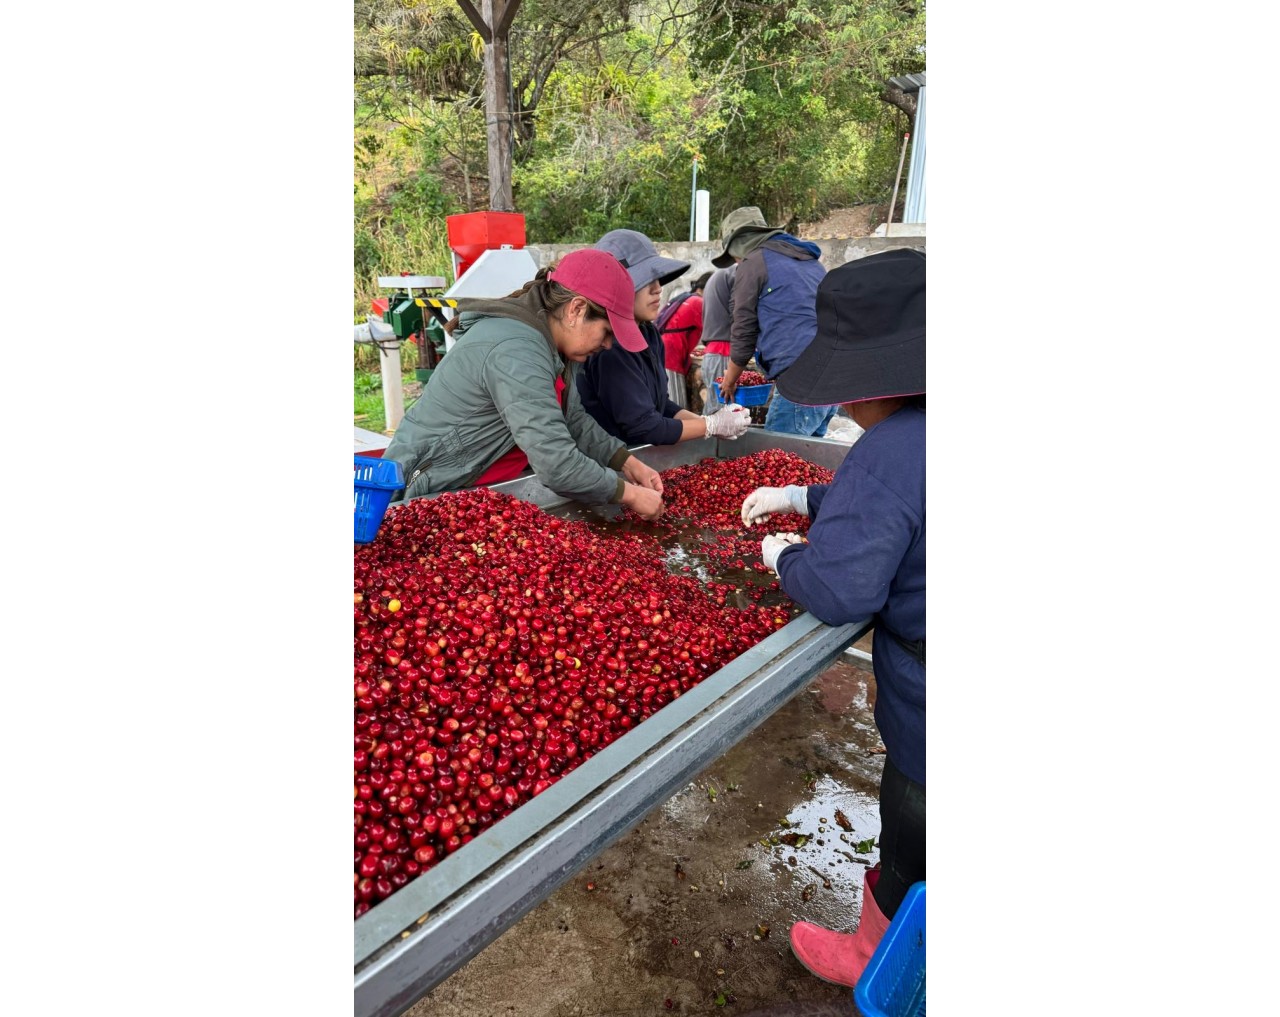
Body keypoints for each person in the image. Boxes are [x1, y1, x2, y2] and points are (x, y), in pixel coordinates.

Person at [740, 248, 925, 988]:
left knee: (915, 830)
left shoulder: (886, 451)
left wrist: (785, 556)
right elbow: (905, 507)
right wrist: (804, 497)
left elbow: (844, 587)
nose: (843, 405)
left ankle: (874, 958)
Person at [382, 247, 666, 521]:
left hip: (481, 493)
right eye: (606, 331)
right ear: (576, 310)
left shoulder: (553, 344)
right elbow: (557, 465)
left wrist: (627, 462)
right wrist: (629, 495)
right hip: (429, 495)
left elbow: (573, 419)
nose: (607, 345)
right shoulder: (517, 349)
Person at [577, 230, 750, 446]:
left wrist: (708, 423)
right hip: (616, 463)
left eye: (657, 279)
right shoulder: (610, 345)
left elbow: (661, 405)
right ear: (614, 289)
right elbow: (644, 426)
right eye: (644, 281)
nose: (657, 289)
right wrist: (711, 425)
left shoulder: (649, 333)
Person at [709, 206, 841, 436]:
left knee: (778, 454)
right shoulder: (808, 260)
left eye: (735, 257)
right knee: (807, 460)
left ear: (740, 244)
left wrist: (729, 380)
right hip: (834, 371)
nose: (738, 263)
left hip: (802, 377)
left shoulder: (754, 263)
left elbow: (744, 328)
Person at [658, 270, 711, 407]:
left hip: (664, 350)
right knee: (676, 404)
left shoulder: (686, 297)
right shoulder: (698, 302)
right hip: (671, 355)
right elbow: (712, 332)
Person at [697, 264, 736, 414]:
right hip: (723, 353)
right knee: (722, 410)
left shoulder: (719, 276)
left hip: (713, 353)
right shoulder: (734, 275)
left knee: (714, 405)